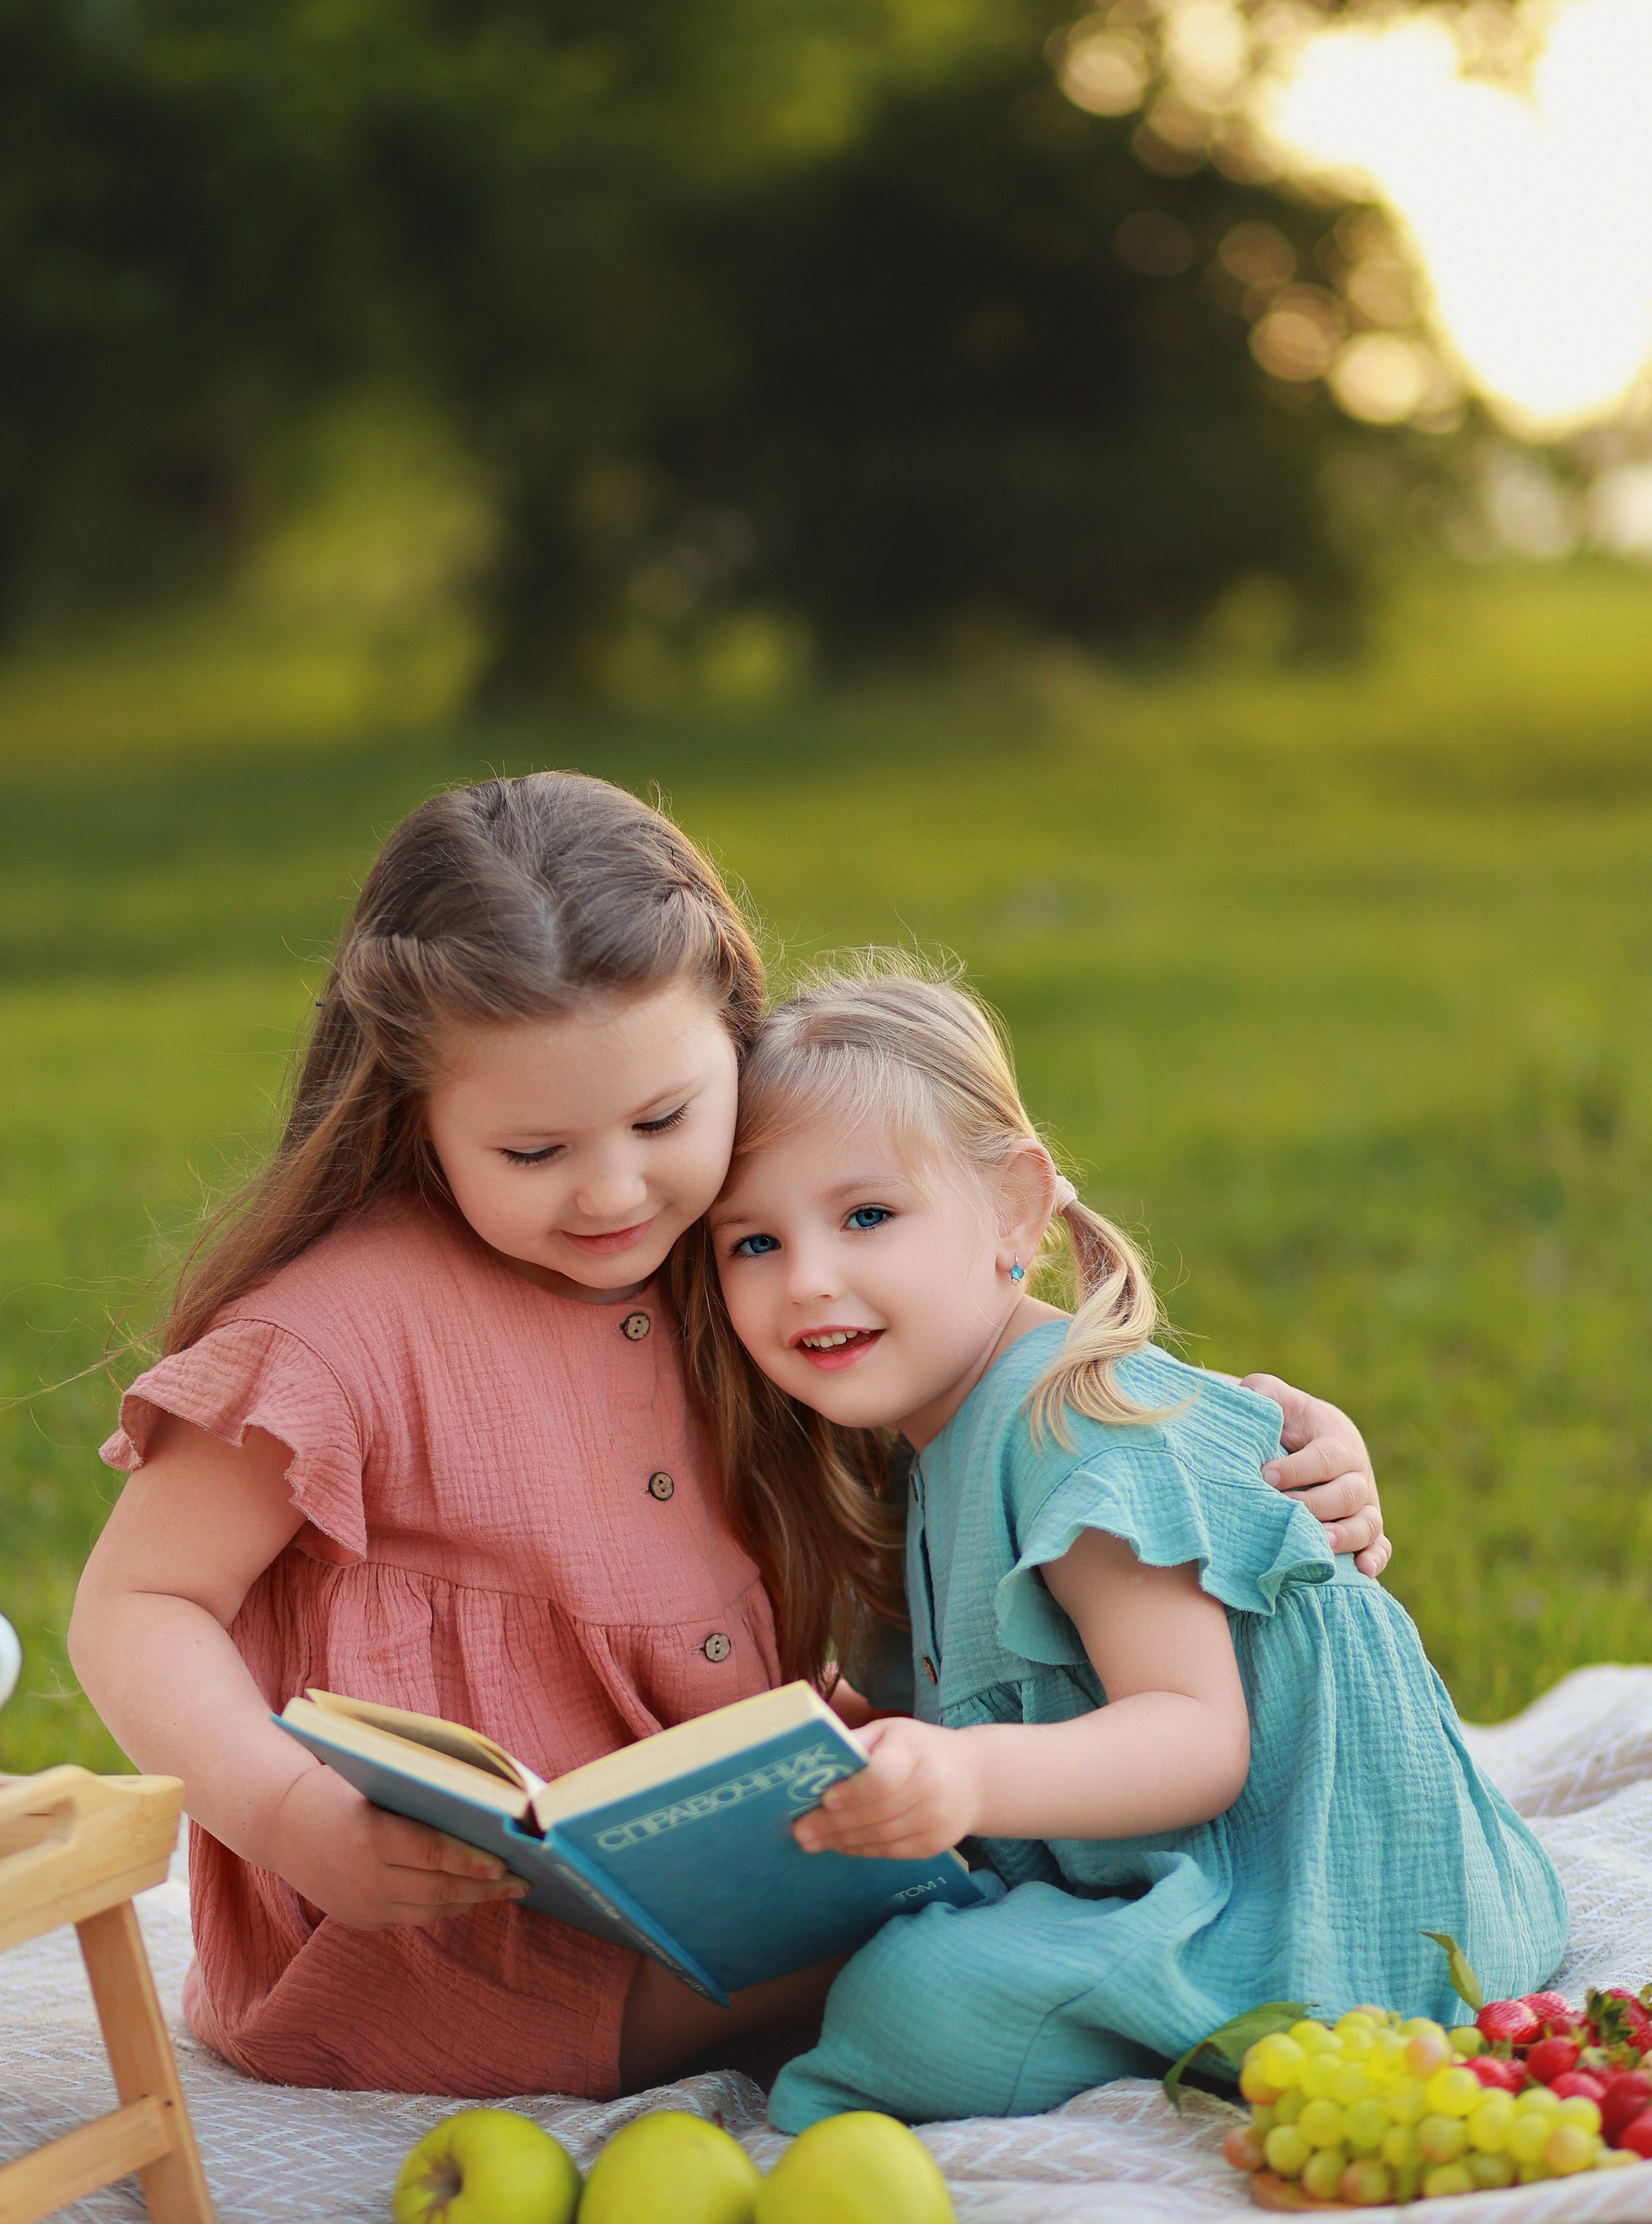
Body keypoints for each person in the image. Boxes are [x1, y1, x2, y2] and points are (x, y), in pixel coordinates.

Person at [70, 774, 1391, 2101]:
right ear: (415, 1116)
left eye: (661, 1121)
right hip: (435, 1933)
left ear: (733, 1045)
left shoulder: (736, 1247)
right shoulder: (334, 1337)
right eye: (532, 1151)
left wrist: (1243, 1444)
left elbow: (990, 1351)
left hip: (728, 1866)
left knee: (1033, 1861)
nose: (610, 1191)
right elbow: (137, 1605)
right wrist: (286, 1813)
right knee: (1002, 1943)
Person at [685, 965, 1568, 2130]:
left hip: (1331, 1918)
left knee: (907, 2004)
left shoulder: (1069, 1427)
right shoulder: (933, 1437)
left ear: (1013, 1210)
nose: (808, 1280)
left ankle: (806, 2130)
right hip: (1178, 1878)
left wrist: (962, 1781)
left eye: (867, 1218)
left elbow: (1198, 1742)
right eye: (752, 1242)